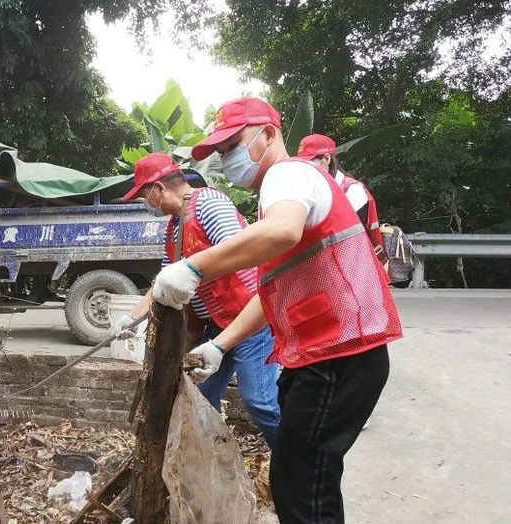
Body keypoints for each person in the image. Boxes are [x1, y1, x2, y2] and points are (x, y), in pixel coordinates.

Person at [150, 98, 402, 523]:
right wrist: (219, 345)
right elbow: (273, 294)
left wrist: (195, 266)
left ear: (269, 134)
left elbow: (282, 232)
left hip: (339, 357)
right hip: (328, 358)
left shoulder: (286, 175)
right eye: (221, 152)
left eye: (233, 147)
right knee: (302, 478)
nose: (226, 160)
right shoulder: (281, 191)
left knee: (302, 483)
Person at [117, 152, 281, 447]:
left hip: (249, 317)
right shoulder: (175, 227)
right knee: (201, 396)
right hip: (217, 323)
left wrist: (195, 271)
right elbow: (166, 283)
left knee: (260, 402)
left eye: (144, 195)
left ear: (158, 188)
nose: (146, 203)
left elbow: (241, 251)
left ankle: (296, 462)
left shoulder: (207, 203)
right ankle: (213, 457)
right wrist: (132, 316)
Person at [297, 133, 386, 262]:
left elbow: (348, 238)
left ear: (326, 159)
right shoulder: (316, 191)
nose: (306, 170)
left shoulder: (353, 190)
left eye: (310, 163)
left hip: (358, 264)